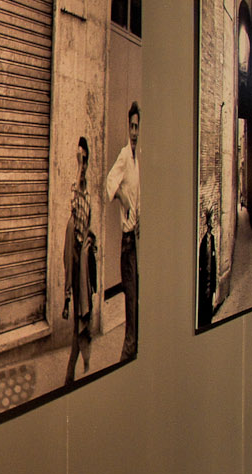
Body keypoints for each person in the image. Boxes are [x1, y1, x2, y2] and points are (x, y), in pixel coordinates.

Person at [104, 101, 140, 360]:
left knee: (137, 296)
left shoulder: (139, 159)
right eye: (132, 126)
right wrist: (122, 198)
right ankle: (128, 349)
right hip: (127, 241)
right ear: (128, 127)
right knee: (130, 297)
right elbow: (108, 182)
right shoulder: (125, 155)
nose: (135, 132)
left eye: (138, 127)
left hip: (137, 239)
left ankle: (134, 345)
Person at [66, 138, 97, 384]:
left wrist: (89, 242)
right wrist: (77, 171)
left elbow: (87, 222)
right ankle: (73, 371)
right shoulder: (75, 188)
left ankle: (73, 372)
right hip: (75, 259)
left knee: (82, 317)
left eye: (84, 159)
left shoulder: (89, 192)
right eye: (79, 158)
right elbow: (73, 211)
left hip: (84, 262)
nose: (82, 164)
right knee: (80, 317)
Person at [198, 207, 220, 327]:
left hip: (210, 285)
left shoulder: (212, 239)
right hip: (205, 285)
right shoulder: (205, 241)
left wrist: (214, 286)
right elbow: (204, 265)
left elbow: (213, 263)